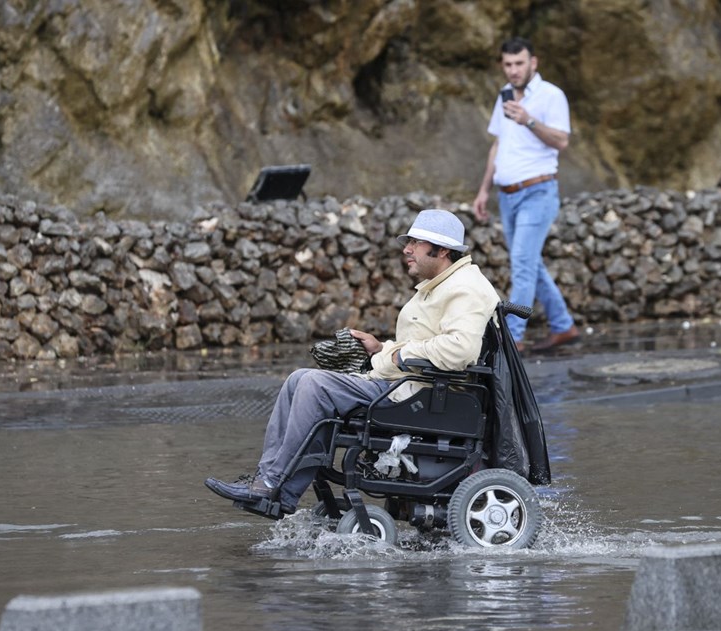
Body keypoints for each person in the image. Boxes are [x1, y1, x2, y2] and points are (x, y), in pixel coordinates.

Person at [204, 209, 501, 514]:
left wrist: (397, 356)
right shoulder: (441, 285)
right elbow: (426, 342)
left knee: (315, 384)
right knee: (298, 379)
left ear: (442, 250)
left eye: (415, 243)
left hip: (425, 396)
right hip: (410, 385)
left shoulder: (465, 288)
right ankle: (269, 483)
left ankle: (273, 483)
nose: (406, 250)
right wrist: (380, 348)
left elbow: (459, 350)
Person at [472, 36, 579, 352]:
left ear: (533, 62)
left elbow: (562, 141)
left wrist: (529, 120)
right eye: (508, 64)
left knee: (521, 263)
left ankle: (512, 339)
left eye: (519, 63)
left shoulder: (551, 95)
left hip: (538, 191)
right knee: (530, 263)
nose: (513, 70)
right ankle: (563, 326)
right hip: (507, 196)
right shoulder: (504, 95)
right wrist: (483, 190)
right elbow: (498, 144)